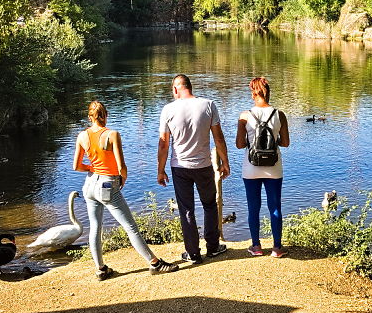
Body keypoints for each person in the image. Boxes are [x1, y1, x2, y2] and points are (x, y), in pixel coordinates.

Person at [73, 100, 178, 279]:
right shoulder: (112, 134)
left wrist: (91, 168)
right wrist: (122, 179)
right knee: (131, 228)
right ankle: (155, 263)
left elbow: (76, 166)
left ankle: (100, 269)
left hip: (89, 185)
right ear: (105, 115)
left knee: (95, 228)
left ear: (89, 117)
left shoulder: (82, 136)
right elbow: (121, 166)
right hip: (107, 185)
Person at [157, 74, 230, 263]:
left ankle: (193, 253)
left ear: (175, 89)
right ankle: (213, 247)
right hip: (204, 165)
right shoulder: (208, 104)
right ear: (190, 86)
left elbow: (163, 144)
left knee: (186, 210)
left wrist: (160, 170)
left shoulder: (168, 110)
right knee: (209, 205)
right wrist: (225, 162)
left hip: (179, 167)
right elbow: (219, 138)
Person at [235, 77, 290, 258]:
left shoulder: (245, 116)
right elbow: (286, 143)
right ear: (268, 92)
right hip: (274, 167)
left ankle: (256, 246)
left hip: (251, 168)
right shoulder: (279, 114)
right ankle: (276, 248)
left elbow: (239, 144)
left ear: (253, 94)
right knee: (275, 207)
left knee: (253, 207)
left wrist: (252, 140)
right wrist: (273, 140)